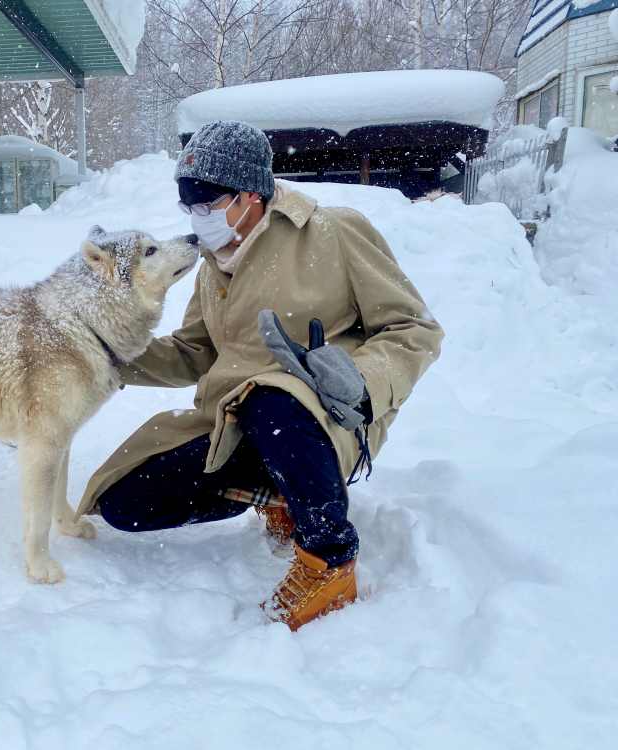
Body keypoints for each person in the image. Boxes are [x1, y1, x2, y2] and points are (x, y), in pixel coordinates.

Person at [75, 121, 444, 630]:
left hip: (325, 414)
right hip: (235, 421)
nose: (196, 217)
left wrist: (361, 381)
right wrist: (105, 352)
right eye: (189, 205)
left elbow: (414, 328)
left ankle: (328, 559)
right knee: (126, 503)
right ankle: (284, 494)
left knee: (275, 398)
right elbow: (192, 351)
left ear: (249, 195)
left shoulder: (334, 232)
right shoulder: (213, 263)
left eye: (206, 203)